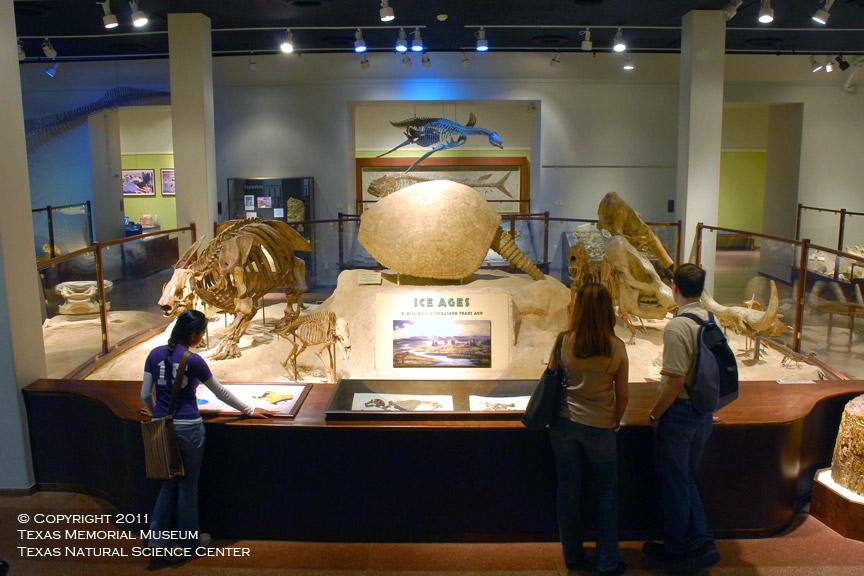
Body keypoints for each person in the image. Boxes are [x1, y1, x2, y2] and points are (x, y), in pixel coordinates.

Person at [140, 310, 272, 558]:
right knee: (188, 485)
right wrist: (250, 410)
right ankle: (189, 542)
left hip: (162, 426)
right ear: (193, 333)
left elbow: (145, 394)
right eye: (202, 333)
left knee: (168, 483)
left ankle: (156, 538)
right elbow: (220, 392)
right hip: (189, 428)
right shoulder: (194, 360)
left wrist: (155, 414)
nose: (201, 337)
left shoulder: (154, 354)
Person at [643, 264, 721, 574]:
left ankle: (677, 550)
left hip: (681, 415)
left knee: (675, 482)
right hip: (703, 413)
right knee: (686, 479)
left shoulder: (677, 327)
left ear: (674, 288)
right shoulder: (710, 320)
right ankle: (701, 540)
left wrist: (654, 414)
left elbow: (674, 382)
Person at [548, 283, 629, 576]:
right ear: (608, 311)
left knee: (568, 490)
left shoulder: (563, 342)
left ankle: (572, 556)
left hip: (564, 425)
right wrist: (615, 420)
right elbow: (623, 395)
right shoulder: (616, 348)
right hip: (600, 427)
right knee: (606, 492)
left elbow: (551, 379)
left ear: (578, 308)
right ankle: (608, 560)